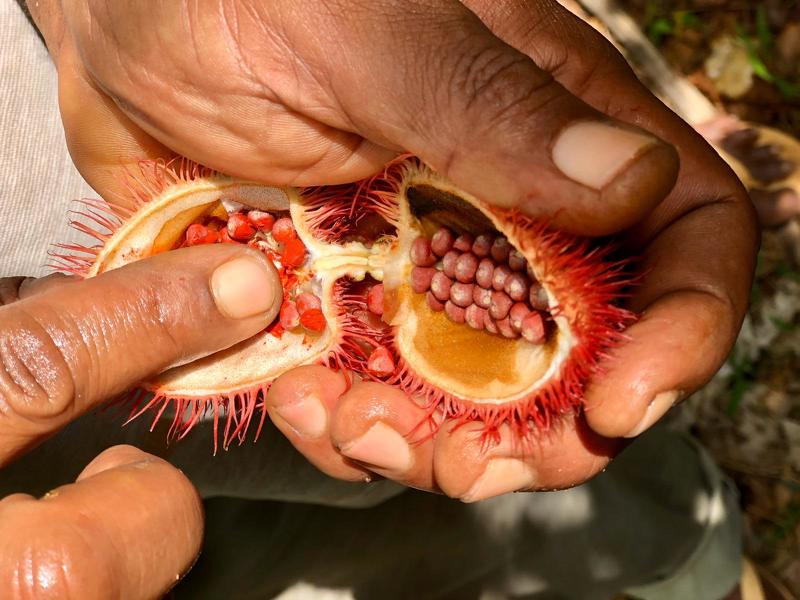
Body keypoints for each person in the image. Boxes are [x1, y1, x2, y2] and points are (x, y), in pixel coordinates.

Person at [0, 1, 758, 598]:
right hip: (86, 510)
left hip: (165, 138)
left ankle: (687, 552)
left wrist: (93, 13)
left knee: (443, 489)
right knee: (302, 538)